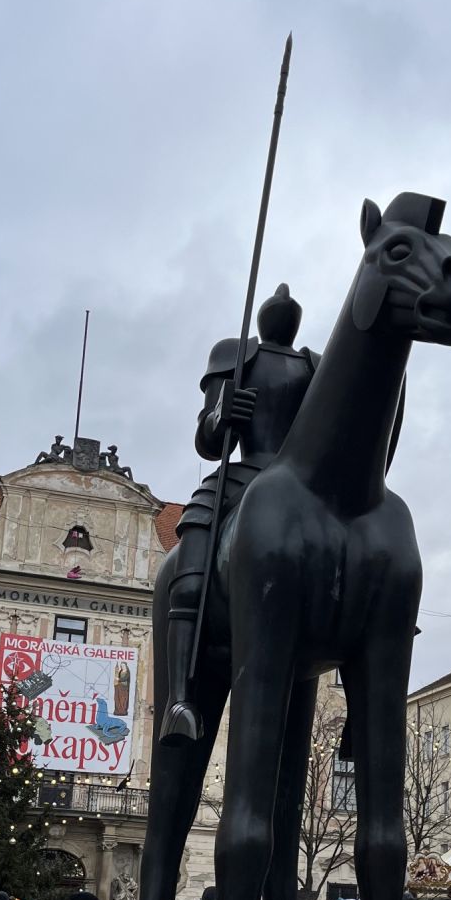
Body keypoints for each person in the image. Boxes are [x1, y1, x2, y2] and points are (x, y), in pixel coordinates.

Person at [159, 283, 319, 742]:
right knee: (195, 533)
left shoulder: (316, 366)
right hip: (243, 472)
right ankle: (179, 698)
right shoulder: (234, 354)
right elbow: (207, 442)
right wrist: (221, 416)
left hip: (301, 482)